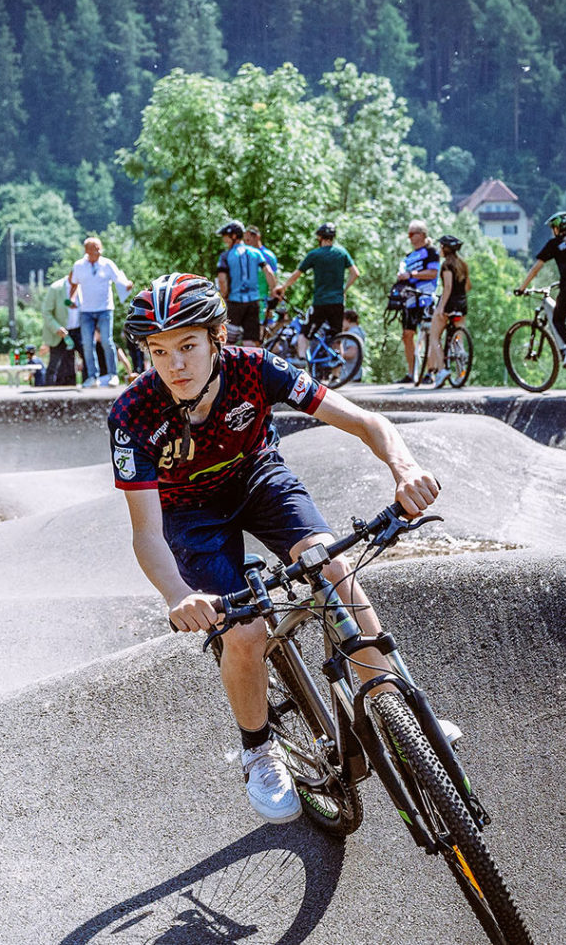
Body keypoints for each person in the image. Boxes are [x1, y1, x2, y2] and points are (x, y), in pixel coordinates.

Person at [109, 273, 445, 823]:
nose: (175, 365)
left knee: (330, 565)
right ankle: (259, 750)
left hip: (259, 478)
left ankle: (398, 705)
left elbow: (363, 419)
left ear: (218, 338)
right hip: (189, 514)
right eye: (159, 351)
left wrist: (404, 469)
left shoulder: (255, 367)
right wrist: (177, 596)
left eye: (188, 346)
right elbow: (146, 532)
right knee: (243, 629)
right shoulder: (132, 414)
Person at [516, 212, 566, 366]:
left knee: (557, 319)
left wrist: (521, 288)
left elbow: (535, 269)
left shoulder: (554, 244)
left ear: (557, 228)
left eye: (553, 227)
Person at [275, 223, 361, 360]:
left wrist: (283, 287)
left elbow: (297, 274)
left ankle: (302, 361)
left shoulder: (315, 254)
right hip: (338, 302)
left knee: (304, 334)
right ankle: (337, 373)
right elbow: (355, 273)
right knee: (337, 338)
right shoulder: (342, 253)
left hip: (320, 302)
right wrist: (344, 289)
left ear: (320, 237)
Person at [68, 236, 132, 387]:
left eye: (98, 248)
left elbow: (120, 280)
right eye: (93, 248)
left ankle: (112, 374)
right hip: (86, 310)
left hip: (105, 308)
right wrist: (71, 299)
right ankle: (92, 377)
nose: (97, 251)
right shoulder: (79, 266)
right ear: (86, 250)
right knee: (87, 344)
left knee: (106, 341)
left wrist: (128, 285)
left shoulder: (107, 264)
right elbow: (74, 284)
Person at [216, 220, 278, 348]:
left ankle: (228, 367)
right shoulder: (255, 253)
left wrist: (224, 295)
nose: (224, 241)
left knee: (228, 341)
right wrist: (274, 290)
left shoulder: (226, 256)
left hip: (235, 302)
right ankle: (250, 367)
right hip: (253, 302)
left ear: (233, 236)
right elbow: (268, 272)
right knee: (250, 341)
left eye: (225, 238)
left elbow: (222, 280)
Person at [394, 221, 440, 383]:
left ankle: (430, 372)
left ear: (422, 234)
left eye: (413, 233)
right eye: (409, 234)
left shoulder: (431, 252)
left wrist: (412, 274)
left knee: (428, 334)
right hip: (409, 300)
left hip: (426, 297)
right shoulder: (408, 257)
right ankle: (411, 372)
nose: (410, 237)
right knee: (407, 335)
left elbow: (433, 273)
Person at [424, 235, 471, 387]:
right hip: (462, 304)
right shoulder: (462, 264)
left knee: (434, 337)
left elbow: (448, 287)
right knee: (459, 337)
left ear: (445, 248)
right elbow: (467, 287)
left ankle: (442, 370)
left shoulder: (446, 265)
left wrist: (441, 308)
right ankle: (461, 373)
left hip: (449, 304)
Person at [39, 273, 77, 386]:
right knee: (54, 365)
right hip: (59, 333)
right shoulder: (56, 288)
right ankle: (49, 397)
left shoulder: (83, 286)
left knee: (71, 366)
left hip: (78, 331)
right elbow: (46, 311)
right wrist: (57, 328)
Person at [244, 225, 281, 320]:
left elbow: (274, 282)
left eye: (248, 240)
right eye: (245, 241)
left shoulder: (268, 256)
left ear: (257, 237)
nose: (246, 244)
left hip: (263, 303)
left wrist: (271, 306)